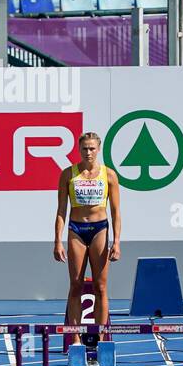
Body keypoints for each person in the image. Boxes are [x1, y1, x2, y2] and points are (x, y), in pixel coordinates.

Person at [55, 131, 122, 341]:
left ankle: (102, 339)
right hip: (76, 230)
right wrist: (57, 240)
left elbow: (116, 211)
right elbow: (61, 210)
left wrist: (117, 242)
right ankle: (75, 340)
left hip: (100, 229)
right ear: (79, 149)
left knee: (100, 287)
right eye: (85, 148)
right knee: (75, 285)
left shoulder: (109, 174)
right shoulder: (68, 174)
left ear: (98, 149)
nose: (88, 153)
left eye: (92, 148)